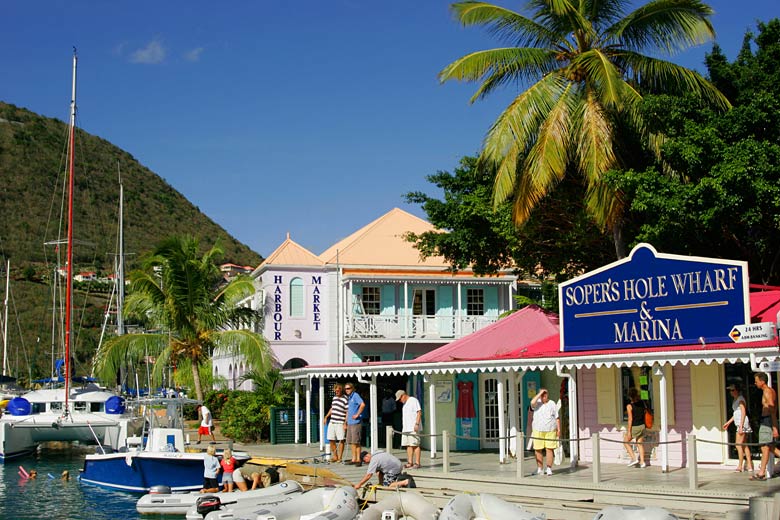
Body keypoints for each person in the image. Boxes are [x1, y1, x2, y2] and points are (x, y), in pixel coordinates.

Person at [752, 373, 778, 480]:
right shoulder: (768, 391)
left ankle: (761, 472)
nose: (755, 383)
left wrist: (774, 427)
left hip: (767, 421)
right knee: (771, 448)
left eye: (756, 381)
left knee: (765, 447)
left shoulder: (767, 391)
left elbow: (772, 408)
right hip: (766, 420)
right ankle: (761, 472)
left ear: (762, 381)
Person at [723, 383, 754, 473]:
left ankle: (740, 466)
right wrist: (728, 423)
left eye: (733, 390)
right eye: (730, 390)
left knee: (738, 445)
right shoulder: (735, 400)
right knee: (744, 445)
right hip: (739, 423)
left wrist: (741, 426)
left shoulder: (740, 399)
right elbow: (736, 413)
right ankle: (749, 465)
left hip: (742, 423)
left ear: (737, 390)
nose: (731, 392)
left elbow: (743, 411)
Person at [530, 388, 560, 476]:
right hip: (538, 429)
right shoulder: (537, 403)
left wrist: (559, 429)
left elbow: (556, 417)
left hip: (550, 429)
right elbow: (532, 402)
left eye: (545, 394)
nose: (544, 396)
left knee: (549, 449)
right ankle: (540, 468)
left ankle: (549, 468)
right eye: (543, 394)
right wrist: (539, 394)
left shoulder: (552, 403)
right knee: (538, 449)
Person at [396, 389, 422, 469]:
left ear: (403, 395)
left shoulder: (413, 400)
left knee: (415, 444)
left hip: (413, 427)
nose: (400, 401)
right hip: (406, 427)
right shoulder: (404, 404)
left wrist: (417, 424)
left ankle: (417, 463)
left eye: (400, 399)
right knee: (408, 445)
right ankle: (410, 462)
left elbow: (419, 412)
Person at [622, 388, 647, 468]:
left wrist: (629, 431)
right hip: (642, 425)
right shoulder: (642, 403)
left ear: (629, 397)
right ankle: (642, 462)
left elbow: (630, 419)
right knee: (639, 444)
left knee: (625, 442)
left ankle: (633, 458)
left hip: (635, 426)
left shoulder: (629, 406)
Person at [323, 383, 348, 463]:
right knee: (331, 439)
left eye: (338, 390)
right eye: (335, 390)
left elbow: (347, 411)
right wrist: (326, 416)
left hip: (340, 422)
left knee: (341, 440)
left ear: (341, 390)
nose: (337, 392)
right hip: (332, 421)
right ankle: (335, 456)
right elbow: (332, 408)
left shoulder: (345, 399)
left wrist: (345, 423)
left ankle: (340, 457)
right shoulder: (334, 398)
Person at [344, 382, 365, 466]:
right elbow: (348, 411)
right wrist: (345, 422)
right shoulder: (349, 397)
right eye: (345, 389)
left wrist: (357, 414)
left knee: (356, 442)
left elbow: (362, 404)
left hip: (356, 422)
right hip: (350, 422)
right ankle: (353, 459)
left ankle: (358, 459)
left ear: (352, 388)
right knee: (352, 442)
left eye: (348, 388)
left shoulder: (355, 395)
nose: (347, 390)